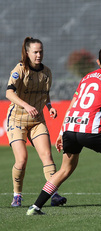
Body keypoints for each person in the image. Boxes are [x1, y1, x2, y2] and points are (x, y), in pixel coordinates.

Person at [26, 35, 101, 216]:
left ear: (98, 61)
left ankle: (35, 207)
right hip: (91, 130)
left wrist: (62, 131)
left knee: (65, 169)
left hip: (71, 127)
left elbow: (72, 105)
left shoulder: (86, 77)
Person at [6, 37, 67, 207]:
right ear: (27, 53)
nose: (39, 55)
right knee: (22, 160)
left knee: (47, 156)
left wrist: (49, 106)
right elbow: (9, 93)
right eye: (35, 52)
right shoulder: (19, 70)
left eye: (41, 51)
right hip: (17, 120)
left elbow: (44, 93)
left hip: (37, 120)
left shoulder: (47, 72)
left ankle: (53, 194)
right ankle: (17, 195)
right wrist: (26, 105)